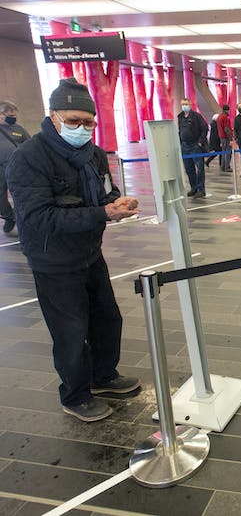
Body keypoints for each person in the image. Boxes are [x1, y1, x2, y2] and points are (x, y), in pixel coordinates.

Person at [5, 78, 141, 422]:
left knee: (107, 318)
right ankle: (75, 395)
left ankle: (103, 376)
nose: (82, 128)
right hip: (52, 260)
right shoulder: (29, 158)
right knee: (71, 331)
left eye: (88, 122)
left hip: (89, 252)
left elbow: (103, 193)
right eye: (73, 121)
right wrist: (102, 213)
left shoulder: (93, 154)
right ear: (54, 117)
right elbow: (38, 218)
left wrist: (116, 202)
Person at [0, 101, 30, 235]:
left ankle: (24, 220)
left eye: (14, 115)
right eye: (9, 115)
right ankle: (9, 216)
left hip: (18, 168)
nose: (13, 118)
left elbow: (30, 145)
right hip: (0, 169)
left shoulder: (19, 129)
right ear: (1, 115)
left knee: (21, 195)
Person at [177, 98, 209, 198]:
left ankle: (201, 189)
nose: (184, 106)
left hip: (195, 146)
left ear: (189, 104)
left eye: (185, 104)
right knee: (189, 169)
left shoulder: (196, 116)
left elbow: (205, 128)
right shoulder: (180, 117)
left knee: (200, 168)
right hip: (185, 146)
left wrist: (200, 142)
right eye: (182, 104)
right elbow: (179, 130)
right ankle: (193, 188)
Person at [217, 104, 232, 172]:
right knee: (228, 152)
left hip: (221, 137)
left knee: (223, 152)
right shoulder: (225, 117)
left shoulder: (219, 116)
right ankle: (227, 167)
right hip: (226, 137)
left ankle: (223, 166)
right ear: (227, 110)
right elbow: (227, 129)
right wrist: (230, 139)